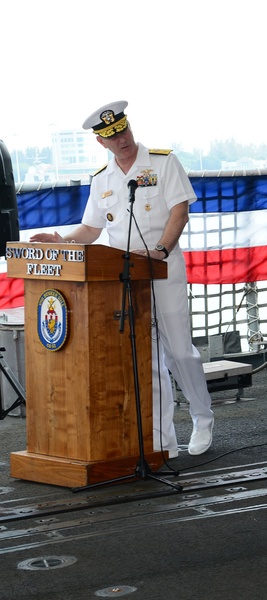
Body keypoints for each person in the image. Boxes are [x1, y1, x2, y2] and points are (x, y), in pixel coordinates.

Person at [29, 101, 214, 458]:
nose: (122, 140)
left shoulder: (162, 163)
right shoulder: (102, 179)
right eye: (112, 136)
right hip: (125, 277)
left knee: (178, 351)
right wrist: (62, 242)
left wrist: (160, 249)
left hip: (162, 270)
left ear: (130, 129)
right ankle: (162, 439)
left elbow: (180, 211)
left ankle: (202, 416)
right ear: (102, 142)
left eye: (124, 131)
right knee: (146, 357)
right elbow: (91, 228)